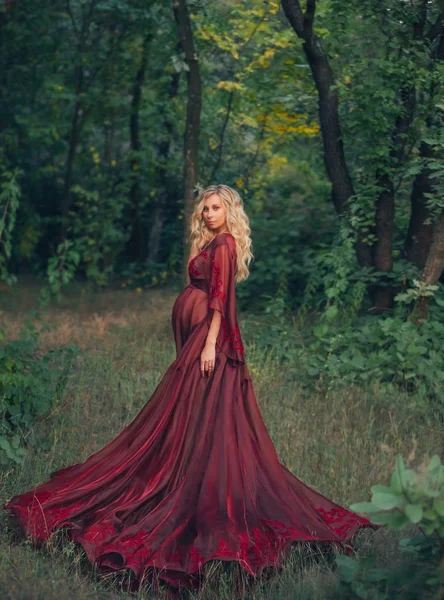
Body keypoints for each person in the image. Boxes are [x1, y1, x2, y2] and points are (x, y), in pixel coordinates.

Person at [5, 184, 372, 596]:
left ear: (230, 211)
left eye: (216, 208)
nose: (209, 213)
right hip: (197, 337)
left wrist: (211, 342)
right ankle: (183, 469)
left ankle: (194, 492)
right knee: (187, 418)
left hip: (208, 339)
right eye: (205, 208)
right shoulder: (212, 242)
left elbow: (220, 300)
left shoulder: (227, 244)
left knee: (193, 417)